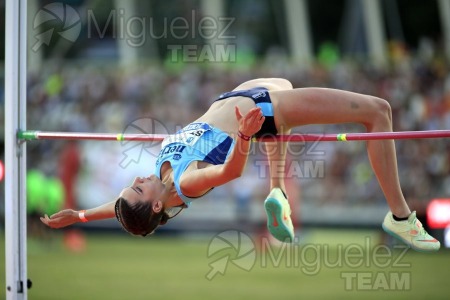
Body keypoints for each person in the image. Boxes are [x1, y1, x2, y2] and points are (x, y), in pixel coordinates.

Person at [40, 78, 440, 252]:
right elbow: (229, 172)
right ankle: (401, 216)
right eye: (139, 188)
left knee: (281, 92)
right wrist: (245, 136)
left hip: (246, 96)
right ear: (158, 204)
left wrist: (77, 215)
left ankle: (278, 191)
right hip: (259, 111)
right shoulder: (186, 184)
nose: (138, 179)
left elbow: (118, 207)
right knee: (379, 112)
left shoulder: (158, 182)